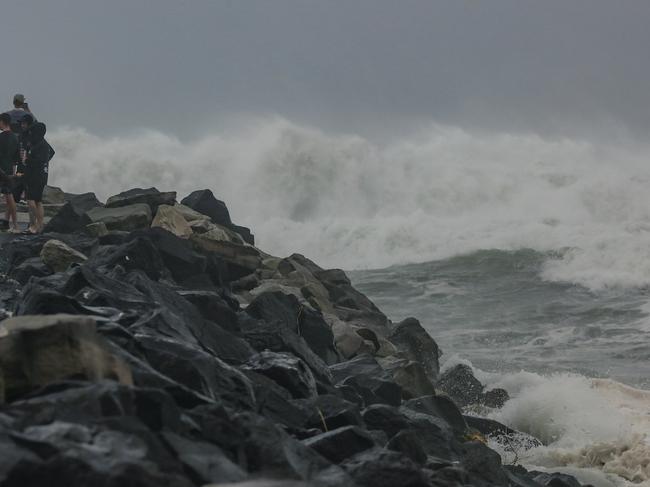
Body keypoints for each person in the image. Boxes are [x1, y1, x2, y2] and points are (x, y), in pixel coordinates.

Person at [23, 122, 52, 233]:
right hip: (41, 176)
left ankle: (35, 225)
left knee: (30, 200)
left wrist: (27, 160)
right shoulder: (41, 143)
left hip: (36, 176)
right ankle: (39, 226)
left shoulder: (41, 145)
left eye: (33, 131)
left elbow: (39, 161)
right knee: (38, 201)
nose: (31, 133)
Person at [0, 113, 19, 231]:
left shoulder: (1, 137)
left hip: (1, 170)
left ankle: (16, 225)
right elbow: (16, 158)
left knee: (9, 198)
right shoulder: (15, 137)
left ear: (2, 122)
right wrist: (14, 173)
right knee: (9, 197)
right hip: (10, 170)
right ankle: (7, 222)